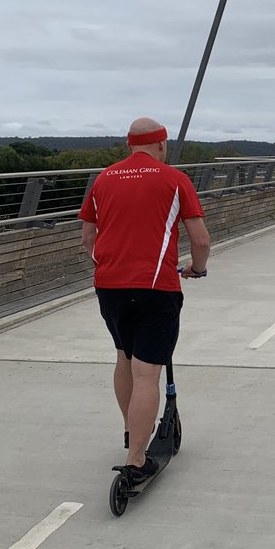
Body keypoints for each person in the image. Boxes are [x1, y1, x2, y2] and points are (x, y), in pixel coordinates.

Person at [79, 118, 211, 478]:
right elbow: (200, 240)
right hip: (156, 287)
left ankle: (131, 430)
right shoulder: (174, 179)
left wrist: (107, 266)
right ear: (162, 144)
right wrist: (196, 269)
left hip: (109, 285)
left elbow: (88, 237)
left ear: (128, 145)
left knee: (124, 357)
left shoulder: (103, 179)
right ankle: (137, 460)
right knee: (147, 371)